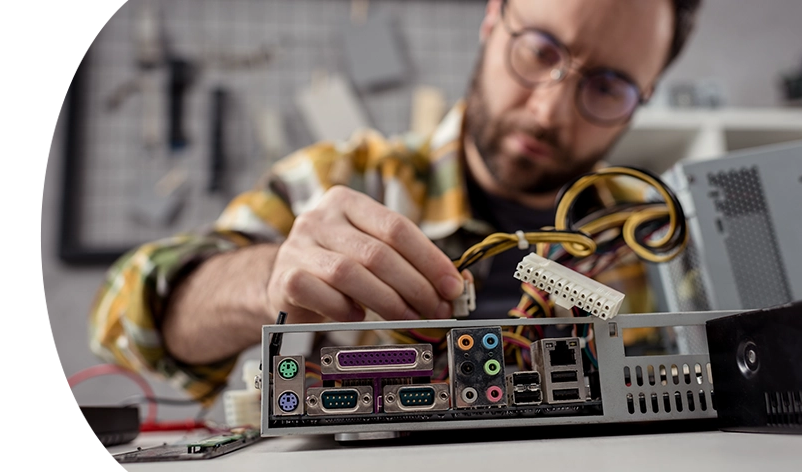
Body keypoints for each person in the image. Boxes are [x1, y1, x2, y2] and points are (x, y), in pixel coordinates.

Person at [89, 0, 702, 402]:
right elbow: (122, 315)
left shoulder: (663, 232)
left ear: (645, 95)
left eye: (607, 86)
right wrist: (269, 276)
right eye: (541, 50)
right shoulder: (343, 179)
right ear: (493, 19)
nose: (548, 110)